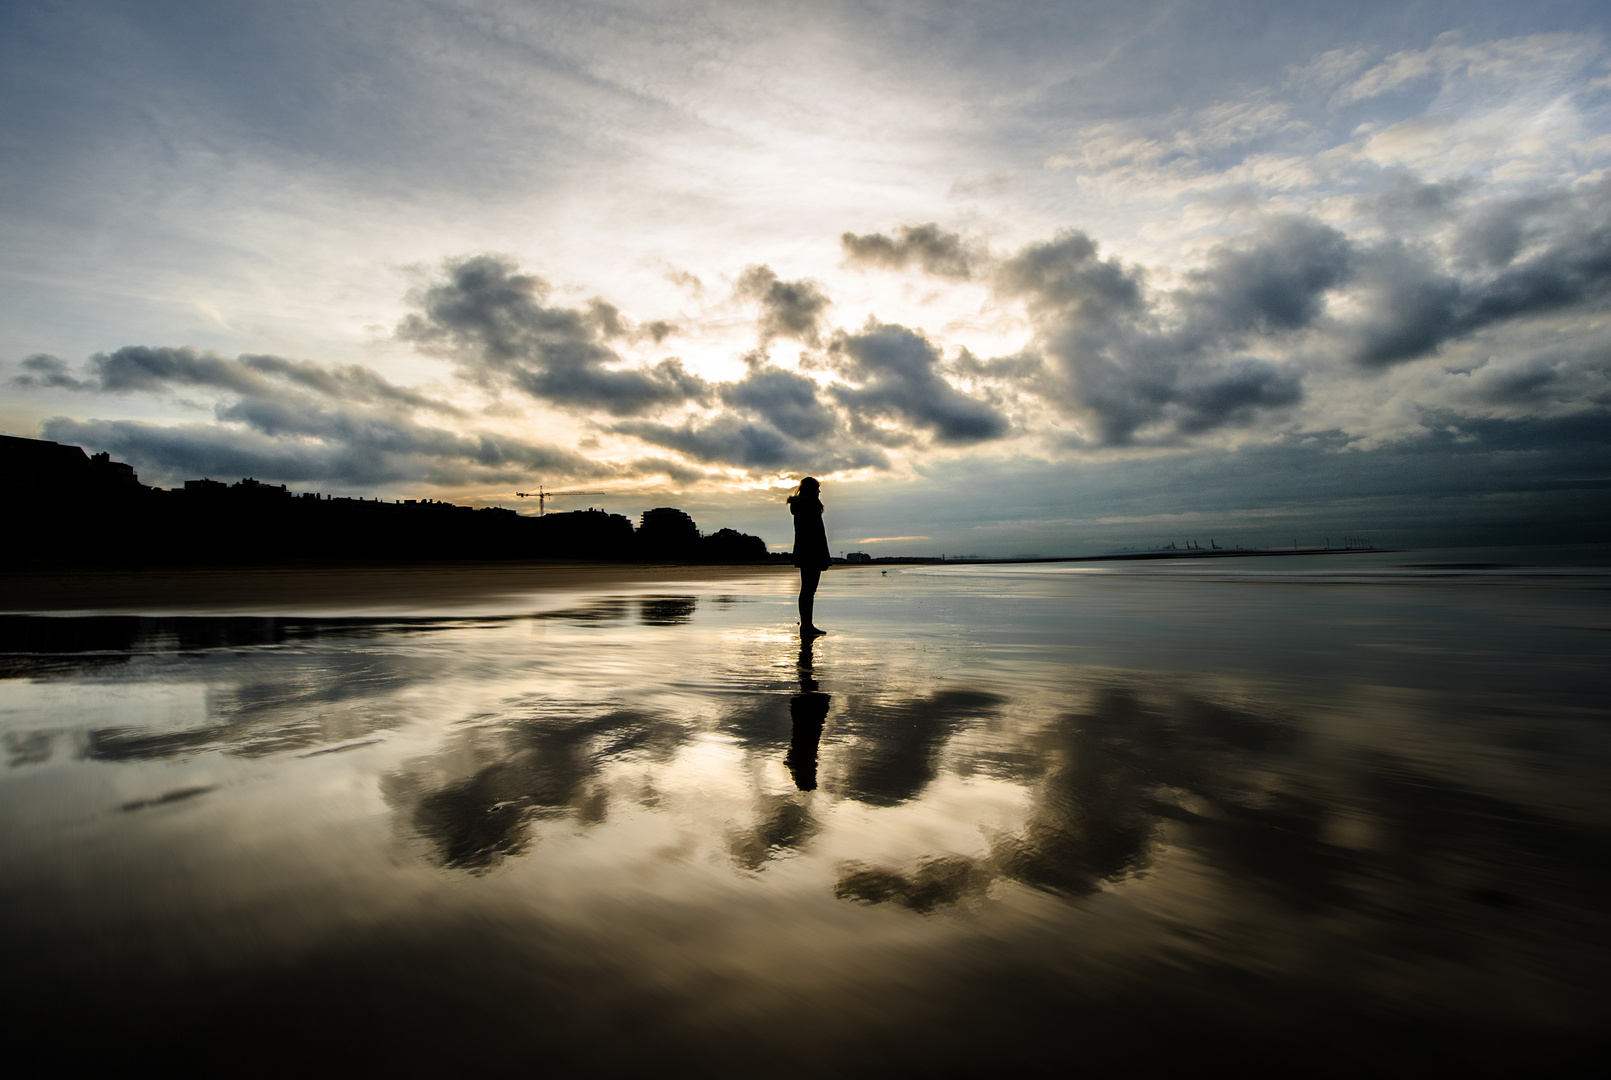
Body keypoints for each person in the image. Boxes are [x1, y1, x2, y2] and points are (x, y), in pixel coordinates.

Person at [787, 476, 830, 636]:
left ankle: (806, 624)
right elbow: (817, 534)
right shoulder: (810, 506)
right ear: (811, 490)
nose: (819, 491)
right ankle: (806, 626)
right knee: (808, 590)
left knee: (806, 589)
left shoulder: (800, 506)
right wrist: (824, 556)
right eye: (817, 488)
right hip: (812, 551)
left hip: (804, 551)